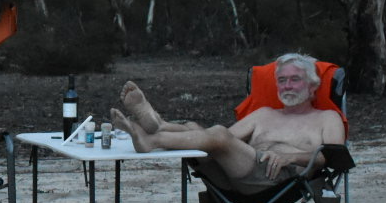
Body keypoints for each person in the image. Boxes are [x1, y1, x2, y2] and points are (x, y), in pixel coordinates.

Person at [110, 53, 345, 193]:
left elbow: (334, 157)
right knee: (198, 131)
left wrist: (292, 157)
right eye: (282, 81)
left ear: (313, 86)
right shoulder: (264, 114)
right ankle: (159, 125)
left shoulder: (327, 118)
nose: (287, 86)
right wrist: (196, 133)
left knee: (218, 136)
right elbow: (217, 140)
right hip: (237, 174)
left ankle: (154, 136)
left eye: (295, 80)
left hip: (281, 181)